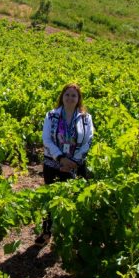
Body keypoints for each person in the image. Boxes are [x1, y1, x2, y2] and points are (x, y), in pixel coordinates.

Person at [40, 82, 94, 236]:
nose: (70, 98)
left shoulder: (86, 118)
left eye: (74, 95)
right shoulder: (51, 115)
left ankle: (71, 234)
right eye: (67, 94)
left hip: (76, 165)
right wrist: (61, 158)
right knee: (50, 198)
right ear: (62, 97)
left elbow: (88, 140)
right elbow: (46, 140)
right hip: (53, 163)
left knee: (74, 199)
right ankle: (46, 231)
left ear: (79, 99)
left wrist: (74, 161)